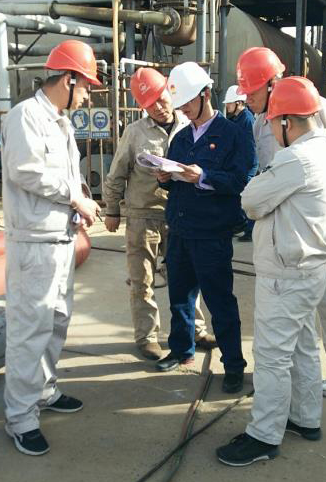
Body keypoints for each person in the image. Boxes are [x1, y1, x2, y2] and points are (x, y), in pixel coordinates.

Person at [217, 76, 326, 466]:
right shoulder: (325, 151)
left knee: (272, 356)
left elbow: (251, 201)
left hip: (287, 274)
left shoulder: (295, 158)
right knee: (304, 346)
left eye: (273, 122)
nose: (271, 130)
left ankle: (264, 435)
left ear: (288, 121)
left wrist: (262, 184)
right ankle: (305, 417)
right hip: (311, 269)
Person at [236, 46, 326, 397]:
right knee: (297, 305)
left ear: (272, 83)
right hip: (287, 222)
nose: (247, 99)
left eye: (252, 91)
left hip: (322, 222)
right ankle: (297, 377)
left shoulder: (320, 111)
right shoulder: (261, 123)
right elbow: (267, 172)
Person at [1, 40, 101, 456]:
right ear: (69, 79)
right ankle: (20, 418)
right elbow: (25, 171)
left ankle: (43, 390)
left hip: (59, 238)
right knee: (30, 330)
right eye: (86, 87)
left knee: (56, 321)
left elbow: (67, 175)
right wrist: (74, 197)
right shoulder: (26, 116)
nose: (88, 97)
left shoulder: (59, 121)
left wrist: (81, 197)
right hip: (34, 242)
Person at [103, 67, 216, 361]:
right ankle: (147, 336)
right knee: (142, 280)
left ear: (170, 92)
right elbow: (117, 173)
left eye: (161, 98)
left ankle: (196, 330)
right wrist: (112, 210)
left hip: (179, 216)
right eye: (149, 103)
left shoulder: (188, 124)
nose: (158, 107)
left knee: (187, 278)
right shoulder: (135, 132)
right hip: (143, 215)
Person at [155, 62, 251, 393]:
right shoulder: (181, 137)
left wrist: (204, 177)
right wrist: (165, 177)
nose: (182, 110)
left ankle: (234, 364)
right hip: (180, 229)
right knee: (179, 297)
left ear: (205, 94)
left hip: (211, 233)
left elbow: (242, 180)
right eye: (179, 104)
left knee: (220, 302)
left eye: (186, 103)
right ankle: (182, 350)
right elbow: (174, 181)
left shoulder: (233, 134)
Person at [222, 85, 258, 242]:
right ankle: (240, 224)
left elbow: (250, 147)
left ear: (238, 103)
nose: (227, 106)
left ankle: (250, 230)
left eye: (229, 103)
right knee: (237, 196)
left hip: (247, 165)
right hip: (240, 163)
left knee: (247, 196)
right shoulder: (238, 119)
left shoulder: (247, 120)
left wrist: (248, 169)